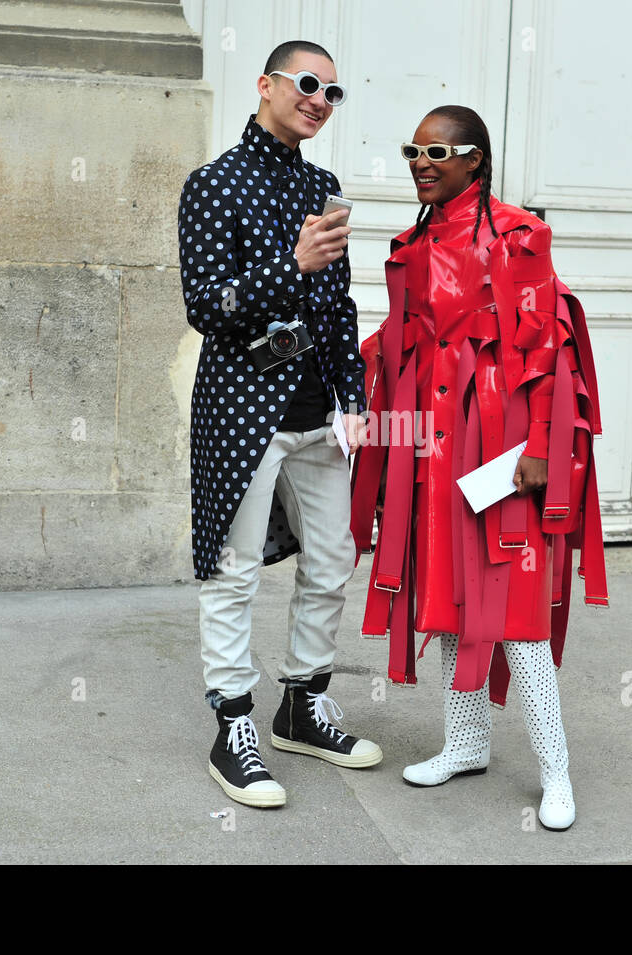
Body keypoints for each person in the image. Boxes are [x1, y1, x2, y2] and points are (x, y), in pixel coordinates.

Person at [349, 106, 608, 831]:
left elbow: (551, 349)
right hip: (433, 446)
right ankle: (464, 742)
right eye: (412, 150)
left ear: (476, 160)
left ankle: (556, 770)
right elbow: (399, 343)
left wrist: (540, 452)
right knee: (451, 599)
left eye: (438, 150)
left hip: (502, 446)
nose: (421, 162)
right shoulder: (413, 242)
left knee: (518, 615)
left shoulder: (519, 237)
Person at [178, 40, 381, 810]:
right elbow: (206, 306)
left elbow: (339, 308)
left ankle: (303, 703)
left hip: (316, 415)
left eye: (334, 92)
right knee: (233, 575)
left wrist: (353, 397)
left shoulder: (323, 185)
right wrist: (288, 266)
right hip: (242, 413)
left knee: (332, 557)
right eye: (307, 84)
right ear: (265, 86)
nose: (320, 100)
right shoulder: (213, 186)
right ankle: (233, 727)